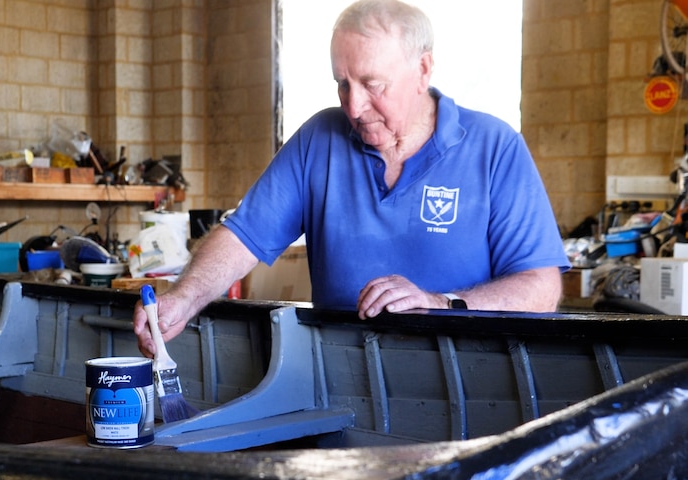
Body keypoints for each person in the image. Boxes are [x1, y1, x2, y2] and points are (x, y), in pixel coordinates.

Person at [134, 0, 569, 357]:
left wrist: (444, 304)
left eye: (372, 84)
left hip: (466, 379)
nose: (354, 105)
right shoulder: (318, 139)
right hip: (339, 376)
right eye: (341, 83)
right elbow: (243, 237)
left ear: (423, 70)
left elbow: (541, 288)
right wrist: (183, 297)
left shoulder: (495, 147)